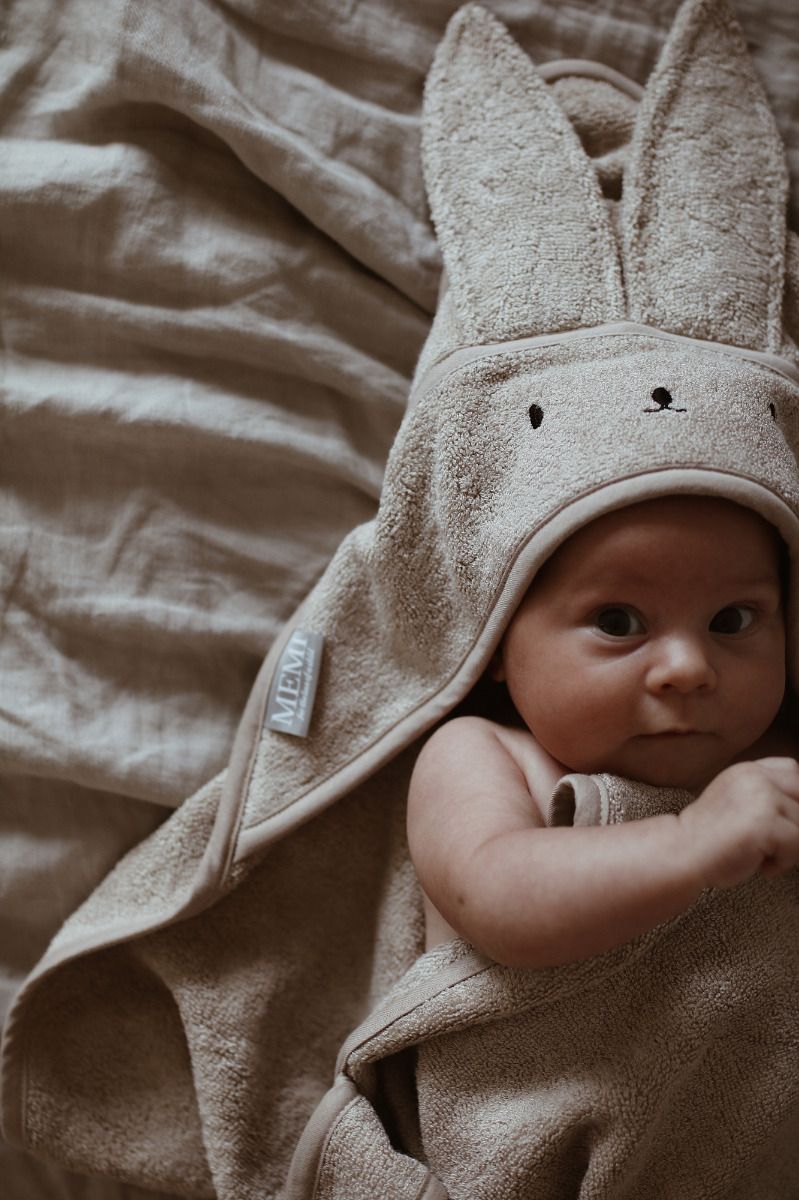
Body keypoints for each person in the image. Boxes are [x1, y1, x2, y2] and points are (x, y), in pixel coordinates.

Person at [408, 493, 799, 969]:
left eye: (732, 620)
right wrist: (692, 841)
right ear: (495, 640)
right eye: (618, 623)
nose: (688, 667)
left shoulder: (778, 766)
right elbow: (493, 900)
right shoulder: (481, 754)